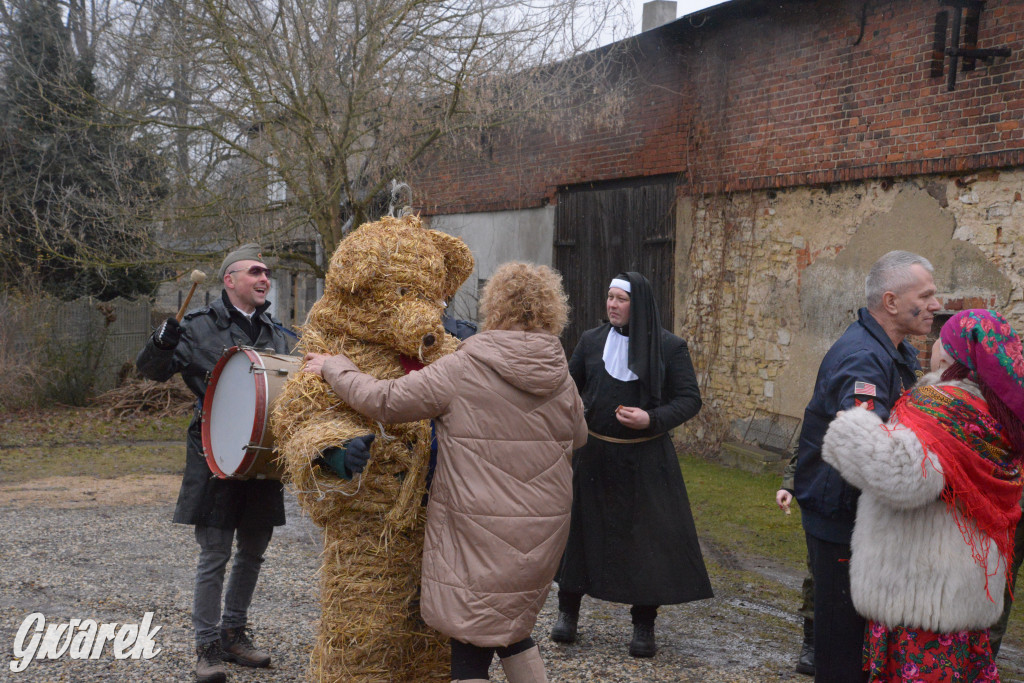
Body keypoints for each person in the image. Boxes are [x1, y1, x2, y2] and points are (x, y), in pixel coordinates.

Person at [303, 262, 587, 683]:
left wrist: (335, 367)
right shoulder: (559, 374)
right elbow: (579, 435)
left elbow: (386, 400)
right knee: (510, 628)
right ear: (551, 311)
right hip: (541, 529)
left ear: (495, 307)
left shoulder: (466, 366)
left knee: (469, 642)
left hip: (478, 527)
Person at [821, 309, 1024, 681]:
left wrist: (851, 430)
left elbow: (907, 478)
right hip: (962, 590)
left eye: (939, 341)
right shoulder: (995, 412)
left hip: (920, 591)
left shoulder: (941, 406)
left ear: (949, 355)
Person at [136, 244, 293, 683]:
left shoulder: (277, 334)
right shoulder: (198, 328)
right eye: (255, 272)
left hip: (264, 456)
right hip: (215, 455)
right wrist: (159, 341)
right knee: (215, 554)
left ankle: (233, 635)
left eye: (266, 273)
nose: (265, 279)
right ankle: (206, 649)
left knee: (254, 552)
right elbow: (151, 370)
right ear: (230, 280)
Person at [793, 250, 940, 682]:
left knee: (858, 646)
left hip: (854, 518)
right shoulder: (863, 359)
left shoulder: (890, 350)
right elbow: (867, 449)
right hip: (840, 522)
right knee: (841, 648)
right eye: (926, 294)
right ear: (891, 302)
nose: (936, 304)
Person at [551, 271, 711, 658]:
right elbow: (567, 387)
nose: (612, 304)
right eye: (609, 297)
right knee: (579, 534)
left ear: (637, 303)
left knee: (646, 542)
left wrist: (651, 419)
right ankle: (567, 613)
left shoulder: (670, 348)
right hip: (595, 456)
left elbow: (690, 399)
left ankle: (643, 625)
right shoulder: (591, 342)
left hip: (646, 460)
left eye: (620, 299)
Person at [776, 450, 815, 676]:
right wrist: (789, 485)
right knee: (819, 573)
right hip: (826, 497)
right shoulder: (823, 412)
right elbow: (806, 446)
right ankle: (812, 643)